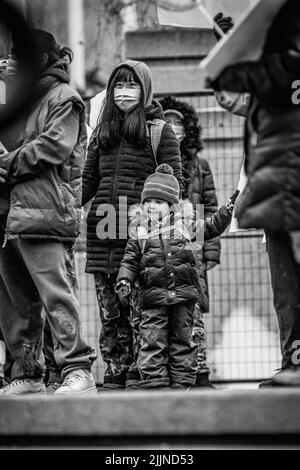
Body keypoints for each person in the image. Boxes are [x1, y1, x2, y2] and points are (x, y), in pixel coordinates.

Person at [0, 29, 97, 396]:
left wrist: (6, 165)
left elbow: (53, 148)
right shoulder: (13, 97)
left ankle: (78, 369)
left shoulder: (64, 98)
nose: (11, 62)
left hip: (45, 210)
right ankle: (26, 374)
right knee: (15, 301)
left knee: (55, 294)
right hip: (9, 214)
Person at [208, 0, 300, 386]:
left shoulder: (279, 69)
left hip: (284, 188)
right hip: (279, 193)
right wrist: (231, 48)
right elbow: (234, 93)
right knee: (288, 289)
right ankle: (294, 362)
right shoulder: (273, 71)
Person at [82, 60, 182, 389]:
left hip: (142, 241)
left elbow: (174, 186)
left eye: (132, 85)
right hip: (101, 236)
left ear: (145, 89)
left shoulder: (159, 130)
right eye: (118, 86)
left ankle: (143, 375)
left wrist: (156, 227)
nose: (123, 93)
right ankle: (115, 372)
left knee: (143, 314)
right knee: (111, 315)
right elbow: (87, 181)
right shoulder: (102, 131)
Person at [115, 164, 238, 389]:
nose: (152, 206)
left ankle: (181, 384)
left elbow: (211, 227)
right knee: (152, 340)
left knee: (182, 340)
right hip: (152, 298)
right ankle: (155, 383)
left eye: (159, 202)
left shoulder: (185, 226)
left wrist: (226, 211)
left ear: (171, 206)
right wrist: (124, 280)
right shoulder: (140, 232)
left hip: (183, 296)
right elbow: (129, 261)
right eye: (148, 201)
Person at [159, 96, 220, 388]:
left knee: (193, 310)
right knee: (161, 310)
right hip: (160, 248)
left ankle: (200, 371)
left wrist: (210, 249)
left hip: (192, 247)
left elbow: (211, 207)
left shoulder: (200, 164)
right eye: (167, 121)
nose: (173, 127)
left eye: (178, 122)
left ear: (189, 128)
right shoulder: (155, 159)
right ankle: (170, 373)